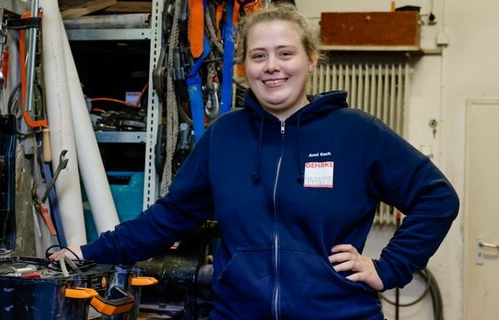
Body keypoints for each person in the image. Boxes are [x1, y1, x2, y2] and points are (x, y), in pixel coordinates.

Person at [50, 3, 459, 319]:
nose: (273, 67)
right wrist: (87, 251)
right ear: (245, 68)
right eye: (259, 56)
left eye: (285, 53)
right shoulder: (224, 137)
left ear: (311, 60)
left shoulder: (356, 132)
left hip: (339, 313)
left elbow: (437, 198)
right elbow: (168, 218)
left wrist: (389, 268)